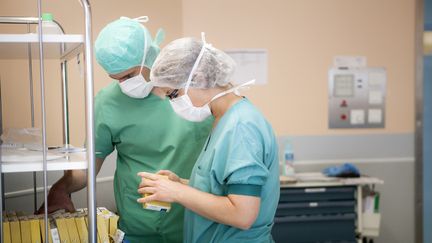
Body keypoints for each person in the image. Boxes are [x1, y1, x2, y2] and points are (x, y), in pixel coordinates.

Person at [37, 17, 213, 243]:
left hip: (198, 225)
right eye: (117, 78)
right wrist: (60, 189)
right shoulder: (109, 102)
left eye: (129, 75)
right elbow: (88, 168)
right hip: (138, 228)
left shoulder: (195, 91)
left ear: (149, 55)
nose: (125, 84)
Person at [137, 34, 280, 243]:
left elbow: (243, 214)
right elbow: (222, 188)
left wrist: (177, 193)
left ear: (200, 78)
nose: (173, 103)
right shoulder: (223, 119)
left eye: (173, 94)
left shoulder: (241, 126)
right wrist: (183, 184)